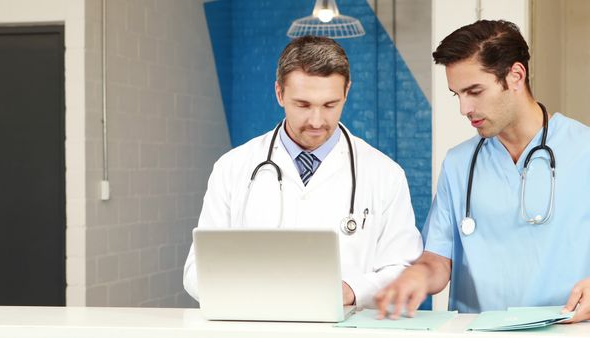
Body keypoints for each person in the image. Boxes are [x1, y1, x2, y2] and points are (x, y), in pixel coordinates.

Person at [183, 36, 422, 309]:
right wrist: (250, 291)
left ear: (347, 92)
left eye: (330, 105)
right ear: (279, 93)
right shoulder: (233, 167)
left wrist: (352, 290)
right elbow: (196, 270)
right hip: (255, 326)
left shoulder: (385, 174)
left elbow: (403, 267)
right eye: (303, 105)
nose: (317, 121)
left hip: (347, 325)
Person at [375, 20, 590, 323]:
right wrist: (418, 276)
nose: (464, 108)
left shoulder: (584, 150)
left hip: (565, 328)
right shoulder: (459, 163)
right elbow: (438, 257)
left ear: (515, 76)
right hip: (480, 329)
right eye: (457, 94)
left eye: (474, 91)